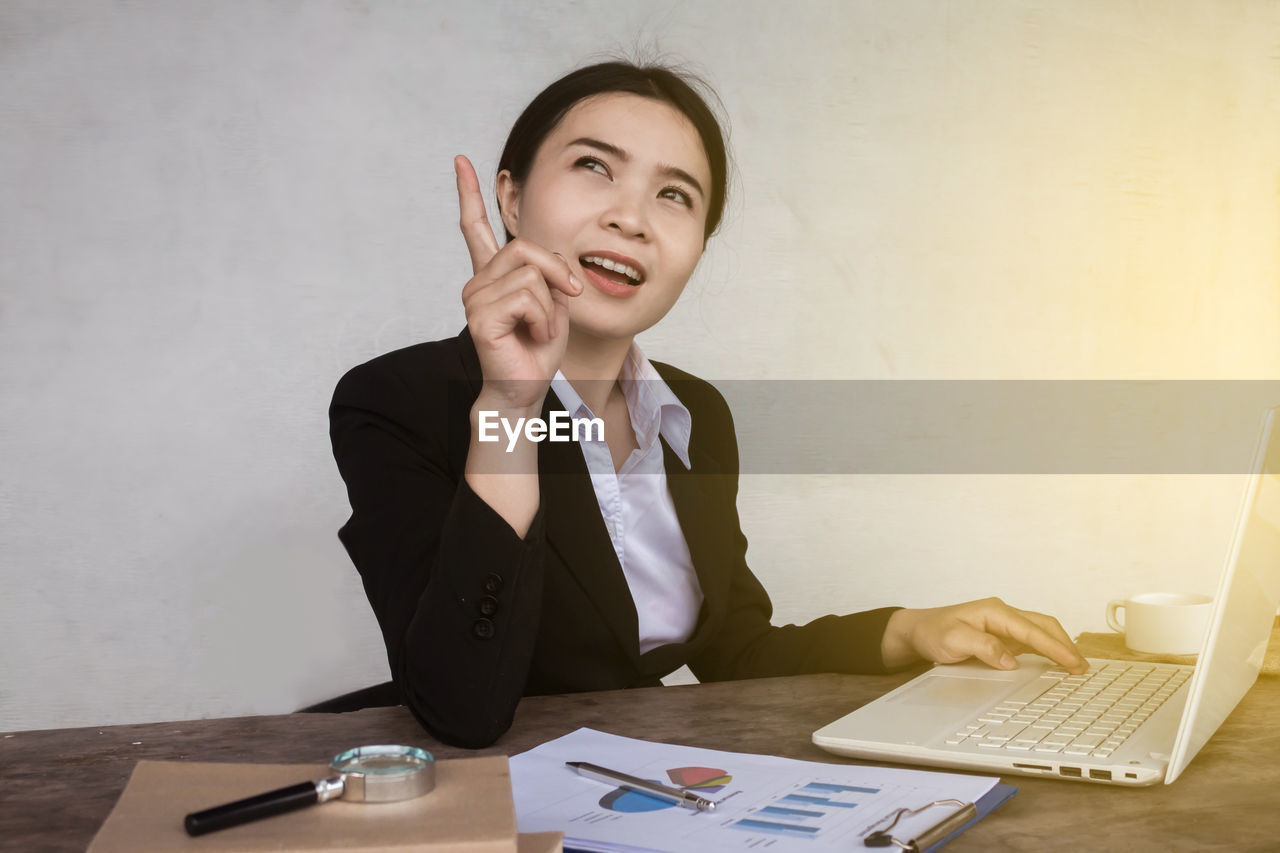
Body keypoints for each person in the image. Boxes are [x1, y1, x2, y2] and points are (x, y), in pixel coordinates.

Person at [330, 60, 1086, 749]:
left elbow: (737, 652)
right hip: (477, 795)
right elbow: (462, 708)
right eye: (595, 166)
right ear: (512, 197)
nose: (632, 217)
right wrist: (508, 405)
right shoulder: (394, 401)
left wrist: (910, 629)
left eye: (674, 195)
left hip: (641, 784)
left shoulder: (693, 413)